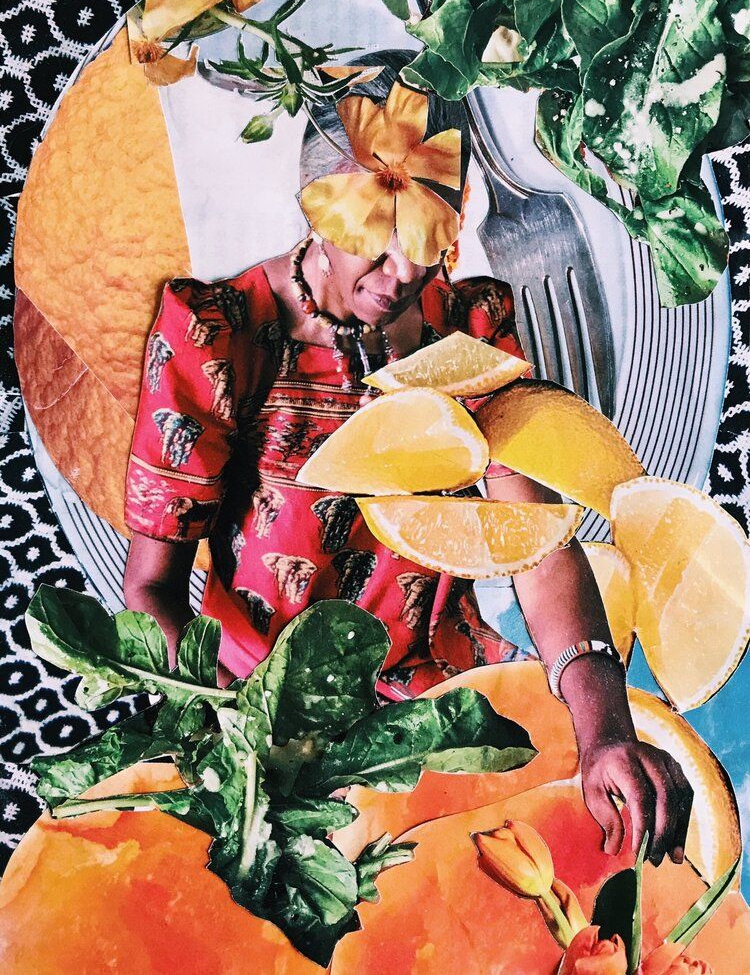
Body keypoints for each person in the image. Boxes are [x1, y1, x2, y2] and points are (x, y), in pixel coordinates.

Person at [123, 48, 692, 867]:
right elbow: (149, 592)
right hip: (253, 712)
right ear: (318, 212)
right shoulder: (221, 334)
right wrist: (252, 750)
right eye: (375, 248)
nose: (400, 277)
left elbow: (536, 546)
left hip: (440, 709)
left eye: (425, 247)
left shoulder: (472, 333)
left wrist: (606, 727)